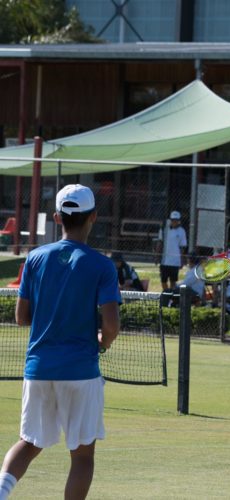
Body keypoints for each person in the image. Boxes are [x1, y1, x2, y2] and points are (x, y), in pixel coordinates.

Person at [0, 184, 121, 500]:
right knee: (82, 456)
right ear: (94, 216)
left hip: (38, 369)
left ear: (57, 217)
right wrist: (102, 341)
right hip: (81, 372)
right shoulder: (102, 265)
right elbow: (111, 325)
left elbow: (22, 317)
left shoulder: (36, 258)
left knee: (29, 442)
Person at [156, 211, 187, 291]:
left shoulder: (182, 231)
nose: (174, 222)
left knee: (173, 282)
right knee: (163, 281)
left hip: (175, 261)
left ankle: (172, 297)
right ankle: (166, 294)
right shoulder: (164, 230)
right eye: (173, 220)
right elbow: (160, 242)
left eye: (176, 220)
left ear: (179, 221)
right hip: (164, 261)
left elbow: (182, 247)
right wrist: (157, 256)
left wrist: (182, 260)